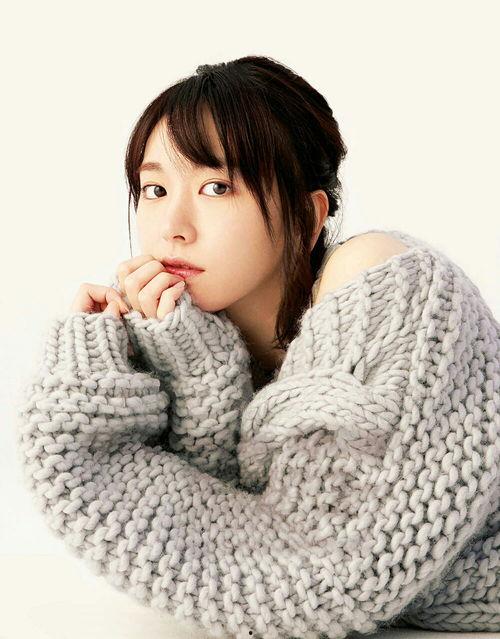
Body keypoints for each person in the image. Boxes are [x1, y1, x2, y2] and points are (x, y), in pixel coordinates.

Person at [17, 56, 500, 638]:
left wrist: (84, 446)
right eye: (154, 189)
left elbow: (323, 569)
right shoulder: (179, 332)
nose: (173, 225)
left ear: (306, 214)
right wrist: (187, 364)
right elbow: (237, 520)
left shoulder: (385, 281)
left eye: (217, 187)